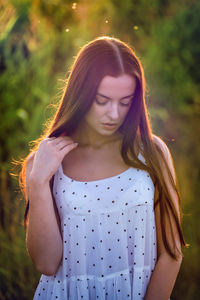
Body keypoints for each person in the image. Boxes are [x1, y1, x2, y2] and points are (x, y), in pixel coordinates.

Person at [19, 36, 187, 300]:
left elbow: (172, 251)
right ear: (81, 94)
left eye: (125, 101)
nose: (114, 114)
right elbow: (47, 264)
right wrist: (38, 182)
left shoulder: (152, 153)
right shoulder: (46, 163)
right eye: (102, 100)